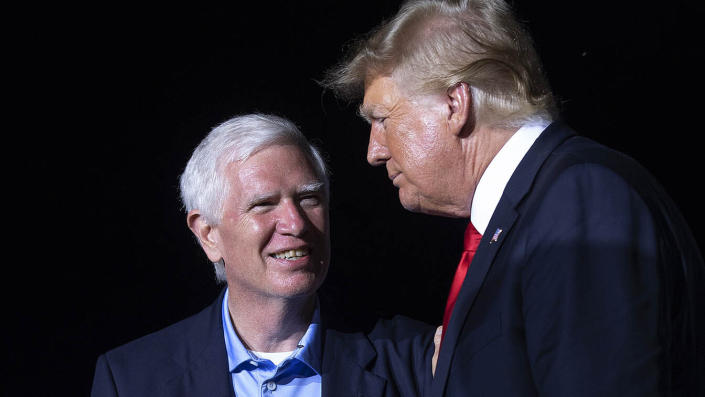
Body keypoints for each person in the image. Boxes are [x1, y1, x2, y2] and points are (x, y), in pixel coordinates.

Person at [323, 0, 705, 395]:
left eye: (382, 120)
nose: (374, 152)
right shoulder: (532, 212)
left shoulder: (578, 198)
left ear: (455, 105)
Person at [91, 114, 435, 397]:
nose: (296, 223)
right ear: (208, 234)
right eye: (263, 204)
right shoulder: (132, 380)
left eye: (309, 199)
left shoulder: (415, 357)